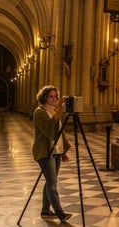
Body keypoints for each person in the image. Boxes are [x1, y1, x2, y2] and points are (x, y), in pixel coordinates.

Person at [32, 85, 72, 222]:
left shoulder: (54, 110)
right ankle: (60, 213)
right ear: (44, 97)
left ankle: (45, 211)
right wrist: (60, 109)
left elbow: (60, 132)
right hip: (44, 152)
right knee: (52, 184)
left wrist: (63, 151)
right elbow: (49, 130)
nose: (54, 99)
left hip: (55, 152)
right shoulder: (39, 112)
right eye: (50, 96)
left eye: (55, 96)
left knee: (50, 182)